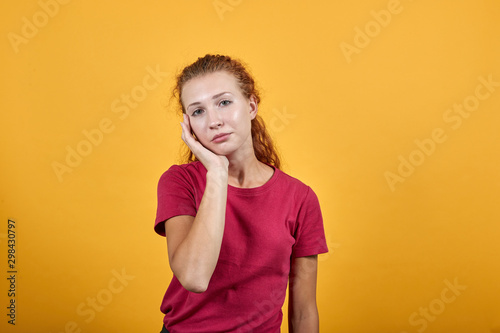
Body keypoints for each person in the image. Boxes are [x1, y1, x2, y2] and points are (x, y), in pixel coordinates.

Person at [154, 54, 328, 333]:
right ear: (188, 126)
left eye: (224, 102)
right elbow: (195, 277)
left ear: (251, 106)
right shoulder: (179, 182)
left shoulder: (300, 198)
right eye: (198, 111)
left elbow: (304, 312)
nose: (214, 121)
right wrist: (218, 174)